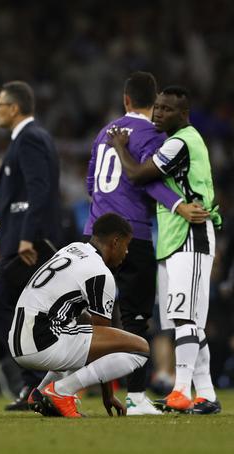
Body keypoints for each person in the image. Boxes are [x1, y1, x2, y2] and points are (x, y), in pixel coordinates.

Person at [84, 72, 206, 415]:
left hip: (94, 233)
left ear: (125, 100)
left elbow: (90, 182)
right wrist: (177, 205)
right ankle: (136, 397)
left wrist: (102, 210)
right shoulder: (151, 134)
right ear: (154, 104)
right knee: (136, 319)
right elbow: (149, 179)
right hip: (131, 234)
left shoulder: (103, 132)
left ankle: (69, 389)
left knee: (92, 317)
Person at [108, 86, 221, 414]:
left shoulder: (180, 142)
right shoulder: (181, 139)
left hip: (191, 236)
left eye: (167, 109)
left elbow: (139, 174)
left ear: (183, 114)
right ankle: (207, 394)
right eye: (156, 107)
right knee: (187, 322)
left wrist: (119, 148)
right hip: (175, 238)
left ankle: (181, 391)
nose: (158, 113)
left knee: (186, 319)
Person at [10, 213, 148, 418]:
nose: (126, 252)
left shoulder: (72, 249)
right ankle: (62, 391)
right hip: (42, 342)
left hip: (19, 339)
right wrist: (108, 394)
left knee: (81, 322)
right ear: (115, 242)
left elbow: (88, 328)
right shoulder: (100, 273)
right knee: (140, 348)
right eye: (126, 245)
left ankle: (41, 392)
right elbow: (104, 340)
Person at [0, 81, 60, 411]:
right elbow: (17, 198)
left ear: (13, 108)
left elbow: (37, 191)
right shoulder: (26, 139)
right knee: (26, 310)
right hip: (19, 240)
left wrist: (26, 237)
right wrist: (2, 238)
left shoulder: (29, 139)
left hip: (32, 243)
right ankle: (36, 385)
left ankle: (40, 372)